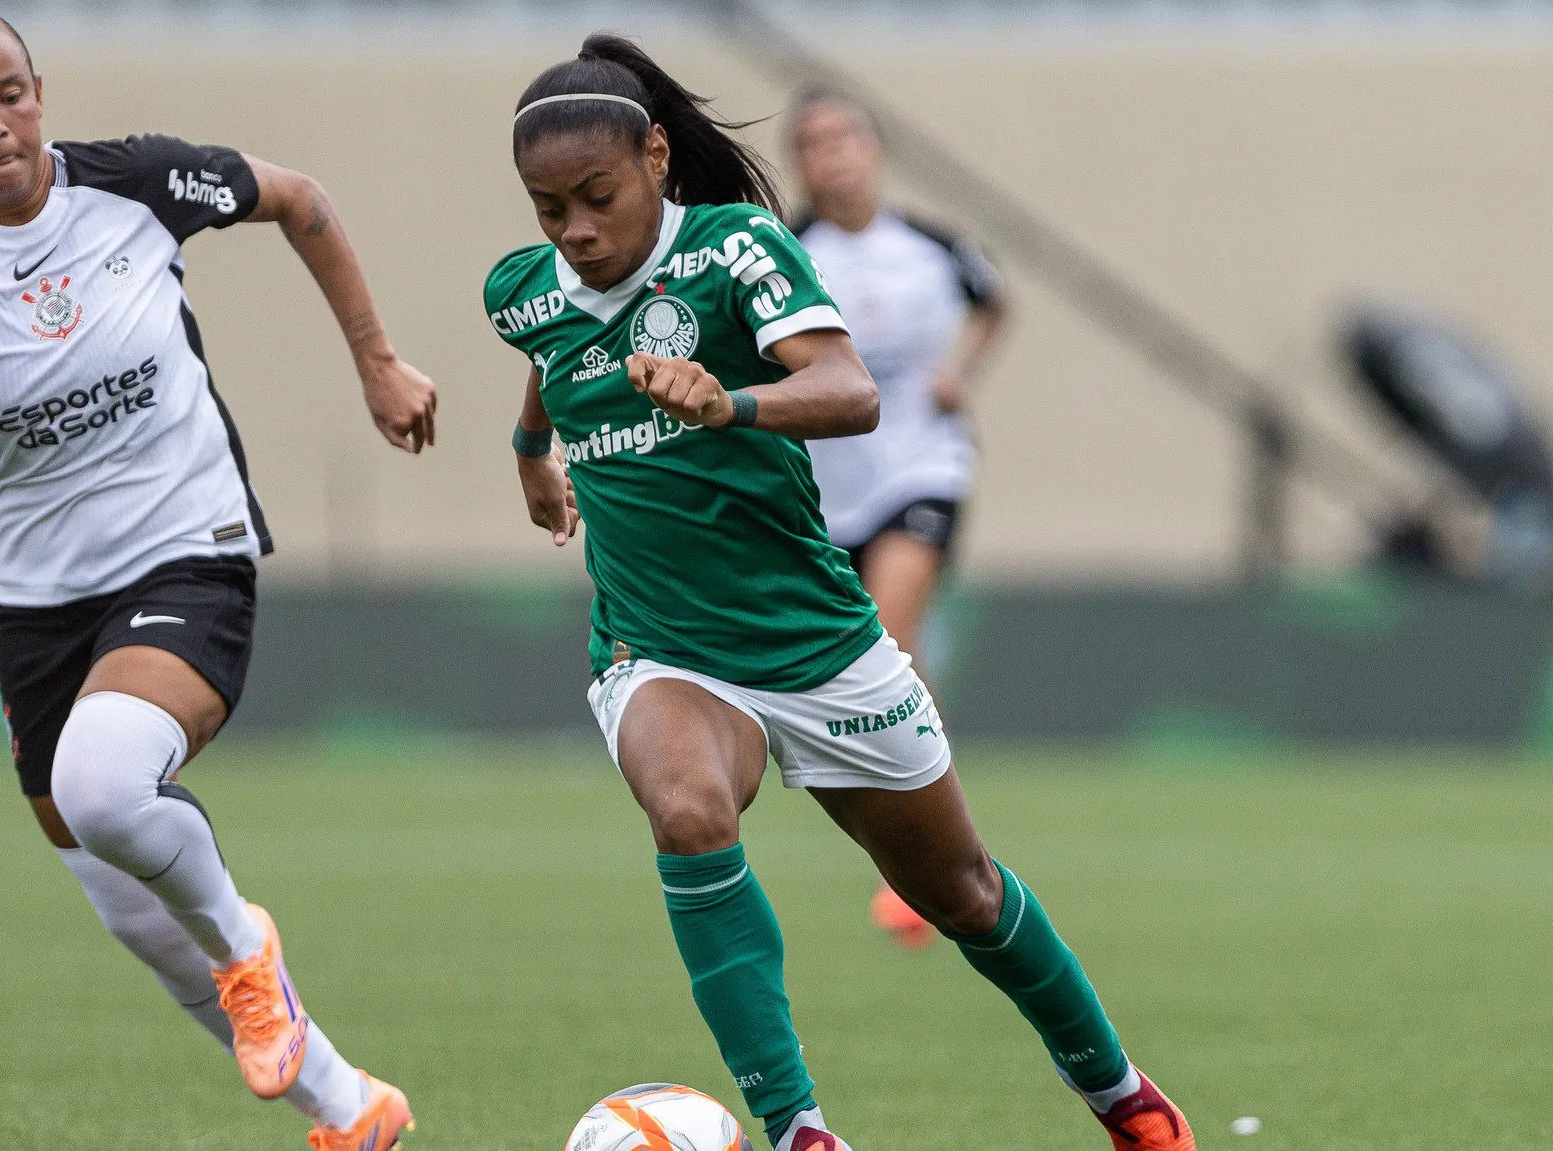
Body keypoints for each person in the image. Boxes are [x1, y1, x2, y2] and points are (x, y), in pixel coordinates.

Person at [486, 35, 1193, 1151]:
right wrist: (531, 453)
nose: (573, 230)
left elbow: (848, 387)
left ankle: (1119, 1091)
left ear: (658, 160)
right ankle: (799, 1128)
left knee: (959, 889)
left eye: (595, 197)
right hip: (658, 645)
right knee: (687, 808)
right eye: (546, 208)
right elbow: (542, 351)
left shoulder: (735, 250)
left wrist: (731, 405)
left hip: (813, 641)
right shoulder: (525, 289)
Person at [0, 11, 430, 1149]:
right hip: (41, 606)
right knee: (122, 900)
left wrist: (376, 358)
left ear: (41, 91)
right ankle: (350, 1109)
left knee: (109, 784)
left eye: (9, 93)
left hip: (185, 554)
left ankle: (249, 948)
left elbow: (301, 198)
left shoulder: (139, 182)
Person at [786, 88, 1012, 950]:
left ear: (873, 150)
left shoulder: (931, 247)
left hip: (923, 468)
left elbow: (996, 301)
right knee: (879, 669)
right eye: (812, 143)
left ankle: (927, 870)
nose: (831, 155)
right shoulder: (787, 255)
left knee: (888, 634)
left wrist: (962, 370)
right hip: (827, 492)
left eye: (844, 138)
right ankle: (929, 842)